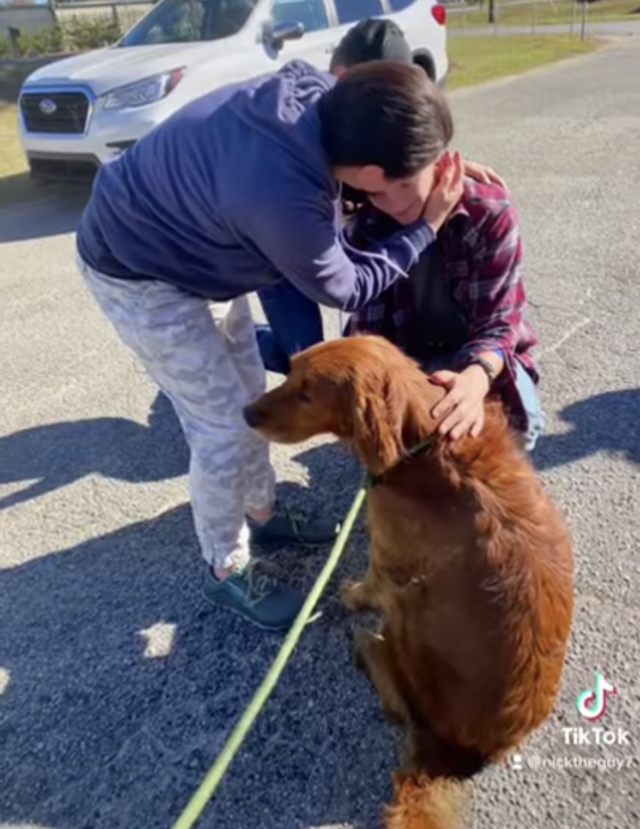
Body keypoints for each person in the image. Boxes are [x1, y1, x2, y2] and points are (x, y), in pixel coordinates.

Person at [75, 56, 463, 632]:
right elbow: (347, 286)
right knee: (223, 428)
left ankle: (262, 510)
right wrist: (423, 230)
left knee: (252, 399)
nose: (416, 189)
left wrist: (431, 171)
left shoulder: (321, 97)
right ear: (368, 169)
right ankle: (224, 569)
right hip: (137, 271)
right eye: (407, 178)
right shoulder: (280, 195)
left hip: (196, 248)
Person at [256, 19, 543, 451]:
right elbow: (371, 344)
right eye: (373, 189)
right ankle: (238, 342)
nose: (390, 201)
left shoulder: (487, 209)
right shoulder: (360, 215)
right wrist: (383, 411)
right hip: (403, 358)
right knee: (305, 357)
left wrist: (474, 378)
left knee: (518, 435)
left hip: (474, 355)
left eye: (405, 181)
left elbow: (499, 321)